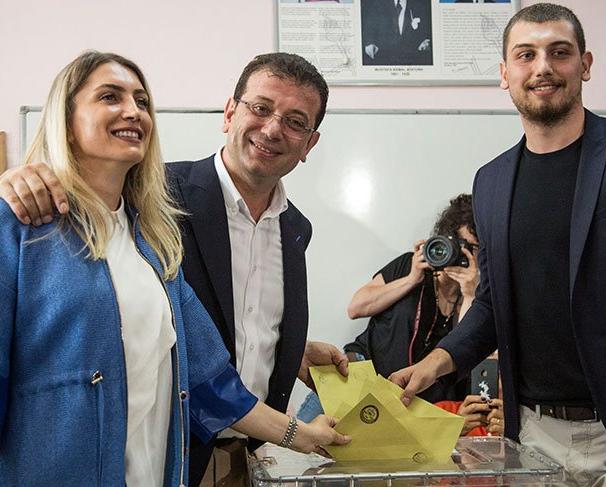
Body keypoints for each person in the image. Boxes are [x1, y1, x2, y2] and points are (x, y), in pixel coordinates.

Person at [0, 51, 350, 487]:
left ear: (309, 144)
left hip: (186, 465)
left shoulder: (153, 244)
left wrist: (291, 364)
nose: (273, 128)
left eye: (142, 101)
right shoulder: (37, 222)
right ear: (230, 112)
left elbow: (205, 367)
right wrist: (16, 179)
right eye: (109, 96)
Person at [390, 4, 606, 486]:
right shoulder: (491, 182)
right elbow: (492, 305)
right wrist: (433, 364)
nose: (542, 67)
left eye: (559, 52)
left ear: (585, 65)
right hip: (531, 435)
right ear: (505, 74)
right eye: (526, 55)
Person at [346, 194, 479, 404]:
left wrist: (470, 294)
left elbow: (464, 346)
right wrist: (410, 280)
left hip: (409, 399)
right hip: (360, 372)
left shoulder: (479, 296)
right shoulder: (411, 265)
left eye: (473, 248)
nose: (462, 253)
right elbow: (356, 308)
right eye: (458, 244)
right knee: (304, 426)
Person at [361, 0, 432, 66]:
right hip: (384, 62)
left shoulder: (423, 5)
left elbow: (428, 34)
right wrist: (370, 43)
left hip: (413, 63)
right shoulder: (377, 5)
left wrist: (426, 43)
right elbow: (369, 31)